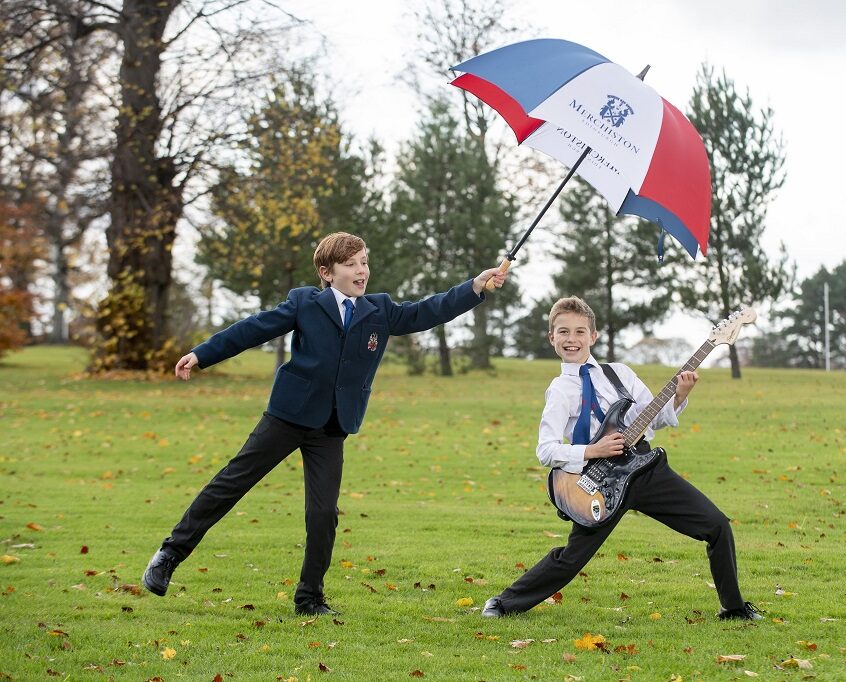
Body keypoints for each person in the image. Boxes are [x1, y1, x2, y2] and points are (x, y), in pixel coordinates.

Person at [142, 231, 507, 616]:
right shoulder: (304, 302)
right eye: (350, 265)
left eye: (364, 262)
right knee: (231, 483)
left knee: (323, 514)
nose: (361, 271)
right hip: (288, 415)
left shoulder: (380, 311)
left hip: (332, 425)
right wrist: (202, 354)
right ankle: (169, 554)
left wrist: (475, 286)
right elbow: (252, 329)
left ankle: (310, 598)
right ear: (327, 272)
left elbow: (429, 310)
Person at [481, 296, 761, 621]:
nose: (572, 339)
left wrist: (679, 397)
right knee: (572, 557)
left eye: (580, 332)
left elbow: (650, 417)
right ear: (552, 338)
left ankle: (734, 608)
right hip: (600, 482)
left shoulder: (619, 374)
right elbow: (546, 450)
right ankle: (503, 604)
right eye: (564, 332)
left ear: (593, 336)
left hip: (645, 470)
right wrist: (592, 450)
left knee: (716, 526)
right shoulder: (560, 391)